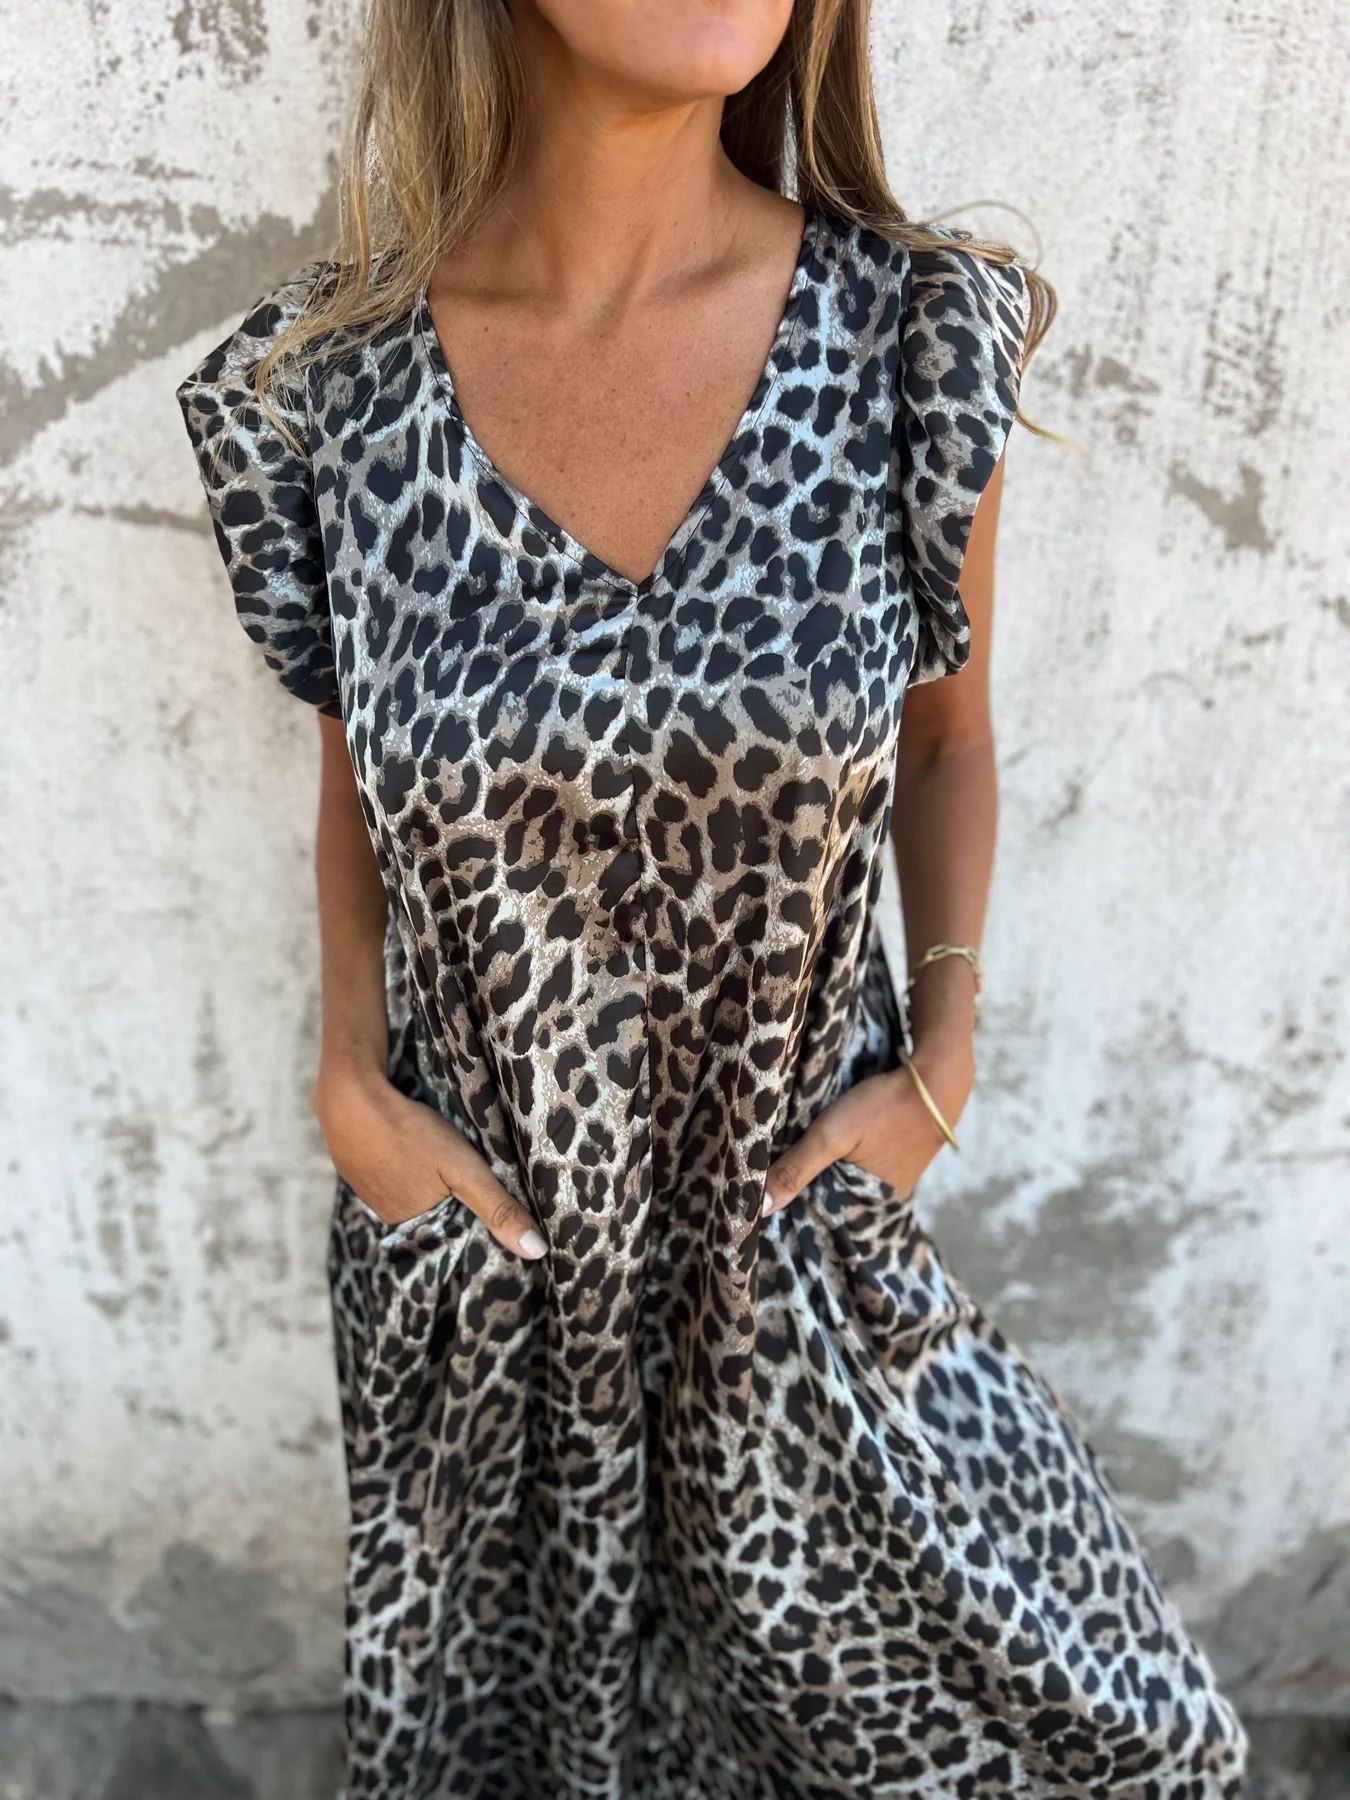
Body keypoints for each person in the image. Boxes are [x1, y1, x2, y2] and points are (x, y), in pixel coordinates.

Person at [175, 2, 1250, 1794]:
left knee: (1101, 1742)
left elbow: (946, 740)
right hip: (495, 1273)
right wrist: (349, 1079)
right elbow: (360, 774)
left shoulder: (906, 336)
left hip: (788, 1248)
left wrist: (942, 1055)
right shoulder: (331, 392)